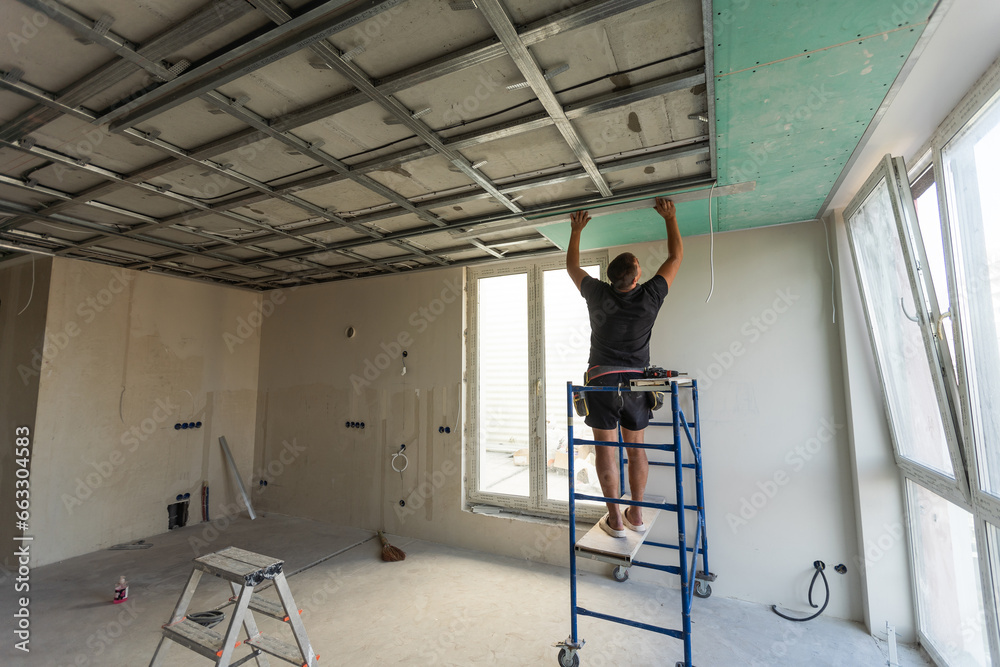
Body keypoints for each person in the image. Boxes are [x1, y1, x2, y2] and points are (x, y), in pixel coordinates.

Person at [565, 197, 683, 538]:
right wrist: (670, 218)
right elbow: (675, 257)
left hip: (601, 383)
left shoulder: (598, 294)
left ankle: (615, 518)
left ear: (612, 278)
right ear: (636, 277)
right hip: (635, 385)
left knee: (606, 449)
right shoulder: (650, 296)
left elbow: (572, 267)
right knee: (636, 449)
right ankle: (637, 513)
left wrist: (576, 231)